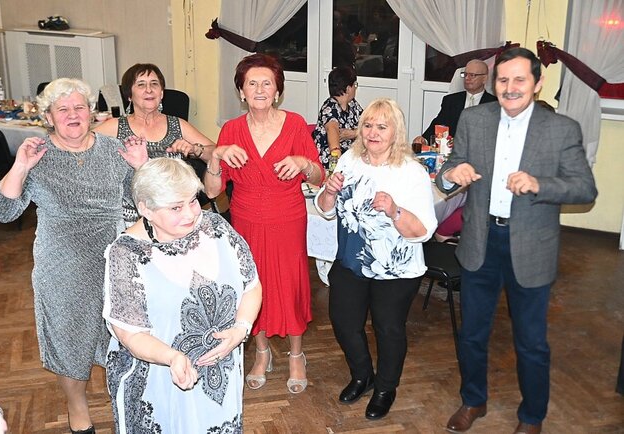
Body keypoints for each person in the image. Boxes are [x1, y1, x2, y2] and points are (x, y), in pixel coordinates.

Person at [435, 47, 597, 434]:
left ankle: (532, 416)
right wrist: (452, 174)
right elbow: (449, 166)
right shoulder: (474, 119)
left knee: (531, 342)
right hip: (480, 241)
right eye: (503, 79)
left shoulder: (561, 128)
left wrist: (540, 184)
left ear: (537, 83)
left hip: (531, 247)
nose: (510, 88)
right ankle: (473, 400)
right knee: (472, 334)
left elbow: (584, 188)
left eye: (520, 79)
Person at [0, 78, 148, 434]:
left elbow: (149, 202)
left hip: (112, 259)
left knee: (122, 336)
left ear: (91, 112)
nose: (72, 115)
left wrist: (141, 166)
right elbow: (2, 211)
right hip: (61, 264)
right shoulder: (37, 154)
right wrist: (21, 166)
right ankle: (78, 408)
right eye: (62, 109)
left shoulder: (114, 150)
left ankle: (124, 399)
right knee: (69, 338)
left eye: (79, 107)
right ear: (48, 117)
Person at [103, 158, 262, 432]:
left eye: (192, 201)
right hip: (160, 382)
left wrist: (241, 329)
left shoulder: (216, 228)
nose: (190, 214)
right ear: (146, 209)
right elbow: (130, 335)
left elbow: (251, 285)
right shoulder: (126, 254)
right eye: (176, 207)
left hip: (221, 379)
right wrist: (172, 357)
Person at [203, 53, 324, 394]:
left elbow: (318, 177)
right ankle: (261, 352)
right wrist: (216, 156)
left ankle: (297, 354)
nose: (259, 89)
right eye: (251, 83)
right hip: (246, 220)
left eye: (266, 83)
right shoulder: (231, 130)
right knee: (251, 284)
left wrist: (303, 162)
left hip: (287, 217)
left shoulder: (295, 125)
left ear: (277, 91)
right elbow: (212, 191)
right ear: (241, 92)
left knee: (290, 282)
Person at [315, 98, 438, 420]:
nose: (373, 132)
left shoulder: (411, 172)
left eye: (382, 126)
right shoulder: (349, 161)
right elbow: (325, 209)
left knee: (388, 329)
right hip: (351, 261)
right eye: (368, 125)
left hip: (396, 269)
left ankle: (385, 388)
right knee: (344, 323)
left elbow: (423, 231)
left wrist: (395, 211)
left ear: (396, 132)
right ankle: (362, 376)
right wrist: (329, 191)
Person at [94, 63, 216, 223]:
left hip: (174, 215)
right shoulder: (115, 126)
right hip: (129, 217)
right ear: (129, 95)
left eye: (154, 84)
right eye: (141, 85)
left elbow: (216, 152)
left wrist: (196, 149)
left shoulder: (177, 124)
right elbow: (80, 146)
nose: (149, 90)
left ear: (162, 93)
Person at [413, 59, 497, 146]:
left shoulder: (495, 104)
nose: (467, 78)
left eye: (472, 75)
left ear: (484, 79)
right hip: (453, 150)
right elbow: (439, 124)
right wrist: (424, 139)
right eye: (465, 74)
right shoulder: (451, 101)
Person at [312, 66, 363, 169]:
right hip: (334, 160)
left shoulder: (353, 104)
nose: (355, 88)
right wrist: (336, 162)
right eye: (355, 85)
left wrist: (354, 133)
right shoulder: (330, 107)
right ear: (348, 89)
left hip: (352, 156)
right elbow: (332, 129)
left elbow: (368, 124)